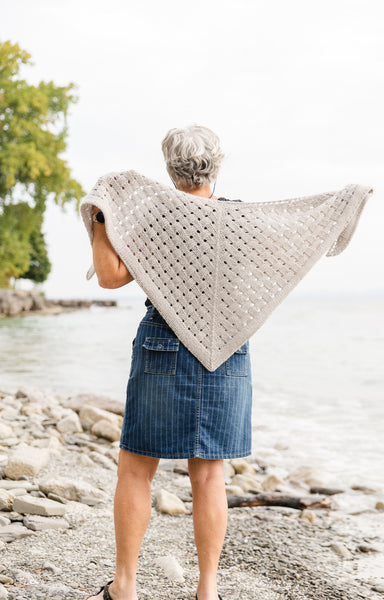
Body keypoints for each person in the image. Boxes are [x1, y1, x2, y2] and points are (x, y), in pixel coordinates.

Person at [86, 125, 252, 600]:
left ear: (169, 166)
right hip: (226, 349)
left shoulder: (154, 219)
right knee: (209, 473)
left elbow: (110, 277)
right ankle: (207, 590)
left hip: (164, 345)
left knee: (137, 469)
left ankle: (125, 587)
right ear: (216, 165)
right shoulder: (241, 221)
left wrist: (101, 224)